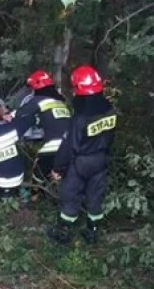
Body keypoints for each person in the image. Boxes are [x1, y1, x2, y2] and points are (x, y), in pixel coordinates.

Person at [48, 65, 116, 245]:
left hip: (81, 162)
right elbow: (110, 138)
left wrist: (58, 168)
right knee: (95, 197)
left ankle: (63, 232)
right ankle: (92, 232)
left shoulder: (80, 118)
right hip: (101, 160)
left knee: (70, 194)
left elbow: (69, 145)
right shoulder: (110, 110)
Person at [12, 70, 72, 180]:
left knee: (38, 176)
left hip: (54, 146)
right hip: (70, 146)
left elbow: (20, 114)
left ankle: (38, 195)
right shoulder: (60, 103)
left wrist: (6, 114)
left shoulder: (39, 100)